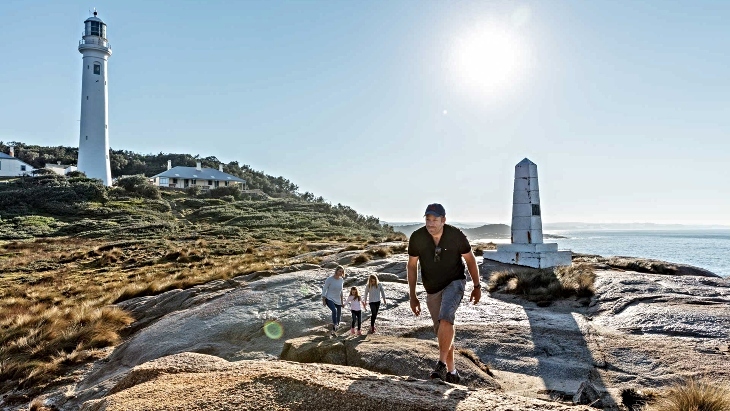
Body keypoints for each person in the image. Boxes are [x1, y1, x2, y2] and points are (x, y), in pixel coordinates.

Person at [407, 203, 481, 384]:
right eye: (428, 219)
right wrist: (413, 296)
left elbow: (470, 260)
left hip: (455, 282)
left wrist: (477, 286)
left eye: (435, 220)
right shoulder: (417, 237)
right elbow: (411, 266)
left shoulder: (456, 235)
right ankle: (452, 372)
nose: (430, 224)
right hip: (432, 289)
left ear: (443, 220)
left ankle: (440, 363)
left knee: (446, 316)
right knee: (442, 330)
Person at [322, 265, 346, 336]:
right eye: (340, 271)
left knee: (339, 314)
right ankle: (335, 324)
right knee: (334, 310)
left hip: (338, 299)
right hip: (329, 298)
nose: (341, 273)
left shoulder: (341, 280)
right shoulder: (329, 279)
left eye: (342, 271)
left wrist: (342, 302)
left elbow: (341, 291)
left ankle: (335, 329)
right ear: (336, 271)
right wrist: (323, 299)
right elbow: (324, 289)